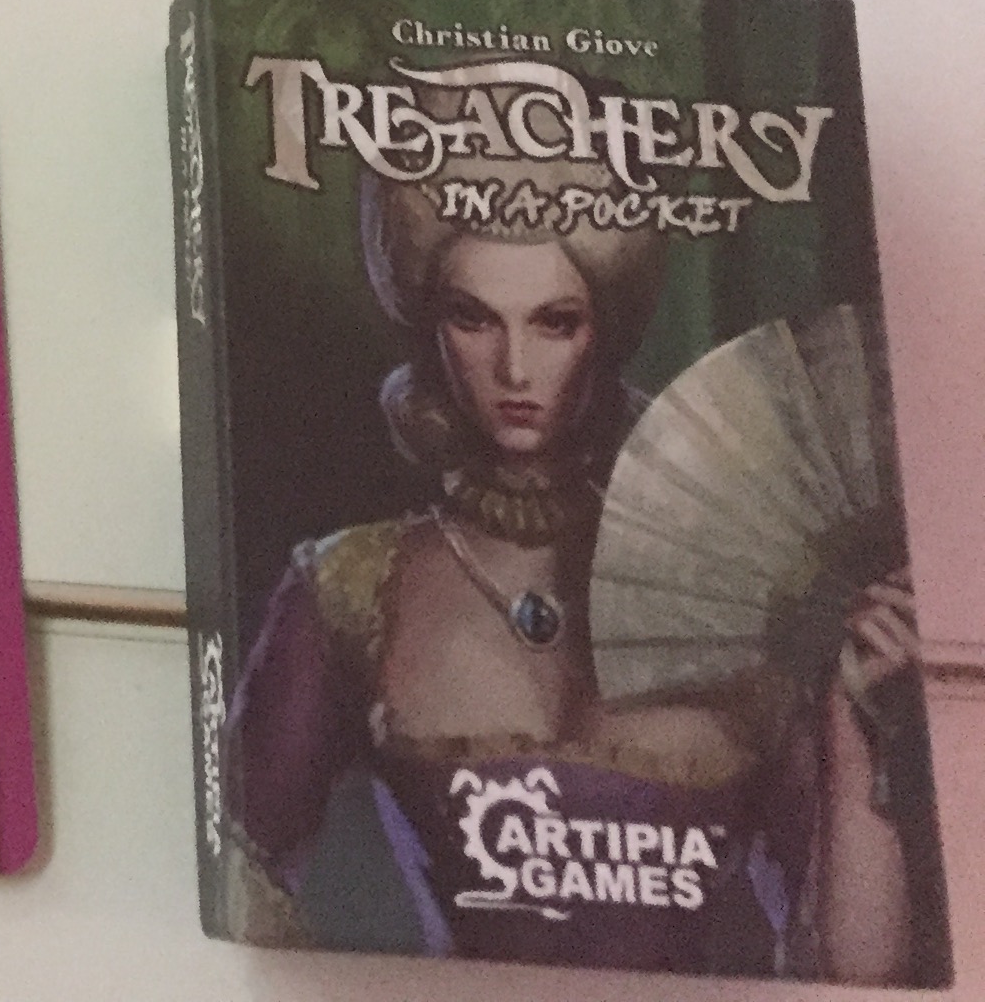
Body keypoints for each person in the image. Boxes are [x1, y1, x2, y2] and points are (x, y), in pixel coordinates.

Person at [224, 171, 925, 977]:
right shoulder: (353, 585)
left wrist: (850, 716)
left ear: (605, 328)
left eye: (556, 322)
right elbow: (236, 866)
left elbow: (856, 971)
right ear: (431, 328)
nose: (515, 368)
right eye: (473, 317)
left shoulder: (743, 586)